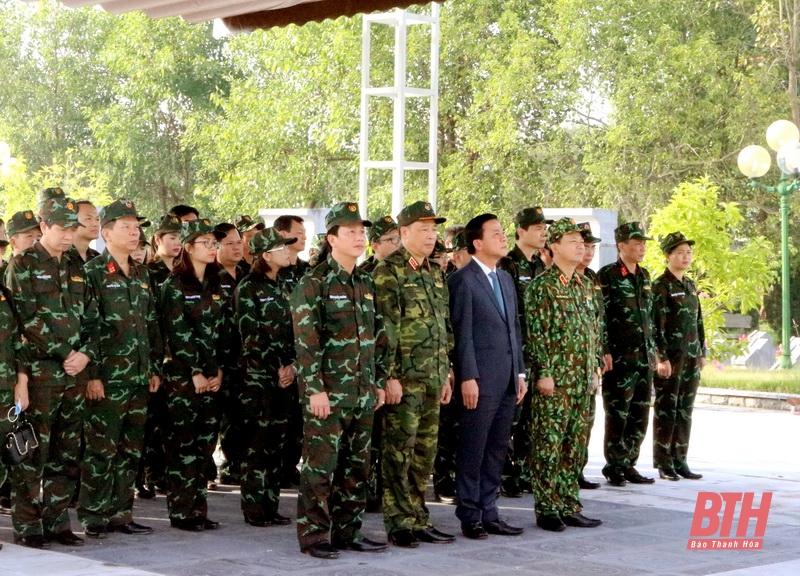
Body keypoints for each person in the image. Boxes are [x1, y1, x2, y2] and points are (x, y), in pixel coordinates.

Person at [292, 202, 388, 559]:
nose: (359, 238)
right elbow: (306, 341)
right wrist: (314, 389)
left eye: (362, 232)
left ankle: (349, 531)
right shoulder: (314, 282)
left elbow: (374, 338)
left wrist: (375, 382)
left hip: (362, 393)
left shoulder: (364, 281)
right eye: (351, 232)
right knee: (320, 468)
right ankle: (315, 535)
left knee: (356, 468)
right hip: (328, 394)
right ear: (331, 238)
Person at [6, 197, 90, 548]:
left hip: (75, 374)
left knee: (67, 453)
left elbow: (93, 317)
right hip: (41, 374)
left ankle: (58, 522)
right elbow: (25, 319)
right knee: (32, 454)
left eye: (73, 229)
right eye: (61, 229)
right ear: (44, 227)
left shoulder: (76, 266)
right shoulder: (22, 264)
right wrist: (65, 352)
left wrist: (85, 353)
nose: (68, 235)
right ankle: (28, 526)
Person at [78, 199, 163, 539]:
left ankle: (121, 512)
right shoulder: (93, 273)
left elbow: (150, 324)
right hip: (107, 378)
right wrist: (93, 374)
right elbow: (88, 326)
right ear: (106, 232)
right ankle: (93, 515)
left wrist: (154, 366)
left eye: (137, 226)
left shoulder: (142, 273)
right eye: (126, 226)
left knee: (131, 449)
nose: (134, 232)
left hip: (139, 377)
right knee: (101, 449)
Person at [373, 200, 455, 549]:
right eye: (424, 229)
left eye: (434, 229)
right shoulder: (386, 272)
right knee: (398, 453)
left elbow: (443, 326)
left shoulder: (434, 272)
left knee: (425, 453)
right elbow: (383, 331)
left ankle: (419, 518)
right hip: (404, 380)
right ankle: (399, 522)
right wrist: (388, 376)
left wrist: (448, 370)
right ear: (404, 232)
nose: (431, 235)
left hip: (433, 377)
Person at [448, 214, 527, 540]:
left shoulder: (506, 279)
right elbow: (460, 333)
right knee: (473, 448)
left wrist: (520, 372)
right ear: (477, 243)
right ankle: (470, 515)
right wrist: (467, 376)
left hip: (507, 379)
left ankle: (490, 510)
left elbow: (514, 330)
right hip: (479, 382)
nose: (503, 237)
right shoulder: (463, 280)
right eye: (496, 233)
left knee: (497, 449)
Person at [526, 218, 604, 532]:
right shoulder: (543, 286)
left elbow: (594, 331)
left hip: (583, 379)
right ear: (554, 247)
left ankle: (569, 503)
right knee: (549, 445)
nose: (581, 246)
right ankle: (547, 508)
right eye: (573, 241)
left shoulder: (586, 284)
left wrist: (595, 368)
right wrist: (543, 373)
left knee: (576, 446)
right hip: (555, 381)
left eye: (583, 242)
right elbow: (536, 335)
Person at [159, 219, 228, 531]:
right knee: (182, 445)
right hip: (183, 378)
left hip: (212, 377)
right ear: (187, 248)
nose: (212, 249)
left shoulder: (216, 284)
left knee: (203, 447)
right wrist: (196, 371)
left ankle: (198, 509)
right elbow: (175, 332)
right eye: (206, 243)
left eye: (215, 244)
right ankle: (182, 511)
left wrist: (219, 371)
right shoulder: (173, 286)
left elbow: (225, 331)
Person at [234, 227, 298, 526]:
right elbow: (251, 337)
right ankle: (254, 507)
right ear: (265, 255)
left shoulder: (285, 285)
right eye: (281, 248)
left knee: (277, 443)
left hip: (285, 377)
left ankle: (271, 505)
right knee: (257, 443)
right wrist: (277, 366)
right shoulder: (248, 288)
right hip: (258, 377)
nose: (288, 251)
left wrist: (292, 365)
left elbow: (297, 330)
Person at [497, 206, 552, 497]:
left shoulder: (541, 266)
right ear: (521, 231)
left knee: (532, 419)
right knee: (511, 417)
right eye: (537, 227)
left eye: (545, 228)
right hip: (515, 352)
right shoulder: (508, 264)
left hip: (536, 353)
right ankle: (506, 475)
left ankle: (525, 472)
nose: (543, 232)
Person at [597, 221, 657, 487]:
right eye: (636, 243)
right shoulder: (607, 276)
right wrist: (605, 350)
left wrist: (654, 352)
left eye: (643, 243)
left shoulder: (644, 276)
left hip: (644, 357)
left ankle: (630, 462)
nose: (641, 247)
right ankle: (614, 465)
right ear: (622, 246)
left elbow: (649, 318)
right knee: (618, 414)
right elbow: (602, 317)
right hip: (620, 359)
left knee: (640, 414)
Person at [652, 232, 706, 481]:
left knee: (685, 410)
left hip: (691, 357)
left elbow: (698, 322)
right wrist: (661, 358)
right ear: (667, 256)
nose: (686, 257)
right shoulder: (661, 286)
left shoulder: (690, 285)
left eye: (688, 252)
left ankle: (680, 459)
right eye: (680, 252)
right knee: (667, 410)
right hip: (671, 358)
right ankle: (664, 462)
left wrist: (702, 351)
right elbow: (656, 325)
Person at [136, 213, 183, 499]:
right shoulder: (149, 272)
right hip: (156, 356)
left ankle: (166, 474)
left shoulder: (184, 271)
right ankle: (147, 475)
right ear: (158, 240)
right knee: (150, 422)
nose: (176, 243)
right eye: (171, 237)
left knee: (170, 422)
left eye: (179, 238)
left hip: (177, 357)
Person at [275, 214, 309, 487]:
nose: (304, 235)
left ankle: (290, 466)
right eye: (298, 231)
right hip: (278, 359)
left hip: (302, 356)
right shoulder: (276, 272)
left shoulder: (307, 272)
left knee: (298, 420)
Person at [574, 222, 605, 490]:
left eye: (592, 246)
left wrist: (599, 356)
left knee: (587, 420)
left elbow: (597, 323)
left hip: (589, 362)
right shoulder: (557, 281)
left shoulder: (591, 279)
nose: (588, 251)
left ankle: (578, 469)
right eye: (584, 245)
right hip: (566, 368)